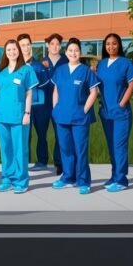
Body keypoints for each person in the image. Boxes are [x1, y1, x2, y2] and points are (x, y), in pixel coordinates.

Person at [50, 38, 99, 195]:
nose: (73, 53)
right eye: (70, 50)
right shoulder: (61, 70)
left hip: (79, 118)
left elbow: (94, 91)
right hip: (62, 116)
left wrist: (85, 109)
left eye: (76, 50)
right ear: (66, 52)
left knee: (80, 150)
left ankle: (83, 181)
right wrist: (55, 109)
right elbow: (56, 90)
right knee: (65, 149)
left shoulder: (85, 71)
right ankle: (68, 177)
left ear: (80, 53)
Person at [0, 40, 37, 193]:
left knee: (20, 149)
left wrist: (27, 113)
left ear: (19, 51)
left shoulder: (26, 70)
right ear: (5, 52)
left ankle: (21, 181)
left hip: (19, 116)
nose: (11, 52)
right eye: (8, 49)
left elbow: (29, 93)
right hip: (1, 116)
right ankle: (7, 179)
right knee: (6, 149)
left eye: (14, 49)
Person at [96, 33, 133, 192]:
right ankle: (114, 175)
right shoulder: (101, 64)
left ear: (119, 45)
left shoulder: (126, 63)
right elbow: (99, 87)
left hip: (121, 113)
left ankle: (121, 180)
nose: (111, 47)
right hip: (106, 113)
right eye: (108, 44)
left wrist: (121, 104)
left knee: (119, 145)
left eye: (114, 44)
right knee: (111, 146)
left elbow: (131, 84)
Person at [17, 34, 51, 173]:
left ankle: (42, 161)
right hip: (22, 107)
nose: (26, 47)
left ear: (31, 45)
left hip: (40, 106)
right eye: (22, 45)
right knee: (25, 135)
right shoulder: (16, 67)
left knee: (41, 134)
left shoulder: (39, 66)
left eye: (27, 44)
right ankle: (25, 161)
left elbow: (45, 84)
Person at [39, 33, 68, 174]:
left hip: (61, 103)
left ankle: (59, 162)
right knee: (41, 133)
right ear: (47, 45)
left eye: (57, 44)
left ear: (60, 46)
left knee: (59, 133)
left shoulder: (66, 61)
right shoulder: (41, 62)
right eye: (52, 44)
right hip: (43, 104)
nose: (55, 47)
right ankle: (42, 161)